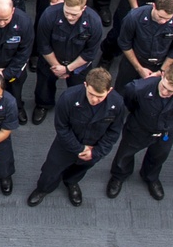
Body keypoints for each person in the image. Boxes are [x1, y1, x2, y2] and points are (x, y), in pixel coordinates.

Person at [28, 66, 124, 206]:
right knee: (50, 170)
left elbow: (114, 132)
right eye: (91, 93)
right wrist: (79, 149)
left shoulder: (117, 103)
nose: (95, 100)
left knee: (80, 169)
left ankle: (71, 182)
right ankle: (43, 189)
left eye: (100, 96)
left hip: (94, 147)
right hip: (66, 144)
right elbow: (62, 128)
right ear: (85, 84)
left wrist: (95, 152)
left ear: (109, 91)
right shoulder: (68, 98)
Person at [106, 63, 173, 200]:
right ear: (162, 75)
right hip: (139, 128)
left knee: (159, 156)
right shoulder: (138, 88)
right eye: (164, 87)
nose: (165, 93)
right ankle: (119, 175)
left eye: (171, 91)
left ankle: (150, 176)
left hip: (165, 131)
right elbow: (130, 104)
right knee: (125, 154)